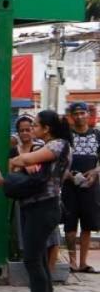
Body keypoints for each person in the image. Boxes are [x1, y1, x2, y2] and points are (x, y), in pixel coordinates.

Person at [8, 110, 71, 292]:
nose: (32, 129)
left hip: (44, 207)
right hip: (34, 206)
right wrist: (21, 161)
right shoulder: (45, 146)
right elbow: (19, 162)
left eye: (35, 125)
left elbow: (23, 159)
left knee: (33, 261)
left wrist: (20, 160)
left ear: (47, 129)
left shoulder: (58, 145)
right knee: (39, 261)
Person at [10, 116, 62, 274]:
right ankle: (38, 274)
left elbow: (36, 168)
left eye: (30, 128)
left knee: (51, 237)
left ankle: (49, 273)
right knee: (29, 239)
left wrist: (24, 163)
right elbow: (11, 168)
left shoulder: (44, 147)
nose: (26, 133)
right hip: (24, 198)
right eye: (22, 130)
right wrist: (24, 164)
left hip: (44, 198)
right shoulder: (15, 149)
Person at [62, 102, 100, 273]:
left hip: (91, 185)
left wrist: (95, 172)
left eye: (82, 113)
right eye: (76, 113)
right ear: (71, 116)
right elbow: (58, 160)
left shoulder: (97, 135)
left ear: (88, 115)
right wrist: (68, 174)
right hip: (70, 185)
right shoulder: (66, 137)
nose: (79, 117)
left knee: (88, 224)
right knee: (70, 223)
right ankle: (72, 262)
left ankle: (83, 262)